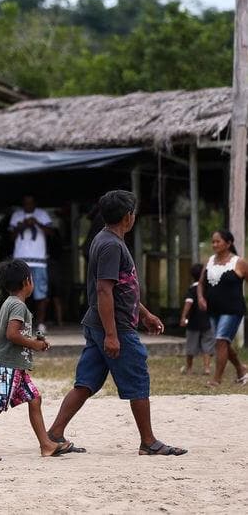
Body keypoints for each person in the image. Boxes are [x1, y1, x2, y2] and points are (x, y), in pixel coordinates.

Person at [47, 189, 187, 457]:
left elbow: (122, 288)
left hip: (101, 323)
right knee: (138, 379)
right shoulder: (111, 245)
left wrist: (144, 314)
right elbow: (104, 291)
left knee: (86, 382)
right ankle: (148, 441)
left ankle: (55, 433)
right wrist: (112, 334)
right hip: (114, 327)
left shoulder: (105, 239)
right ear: (128, 217)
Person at [0, 259, 73, 462]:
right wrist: (34, 344)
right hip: (7, 366)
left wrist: (34, 341)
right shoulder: (17, 306)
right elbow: (12, 334)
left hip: (16, 367)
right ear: (26, 282)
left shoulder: (12, 303)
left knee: (35, 399)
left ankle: (46, 445)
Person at [197, 230, 248, 387]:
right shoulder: (210, 261)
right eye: (213, 242)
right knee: (223, 343)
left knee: (220, 341)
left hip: (233, 309)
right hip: (213, 309)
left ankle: (216, 380)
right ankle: (241, 369)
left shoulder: (239, 262)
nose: (214, 244)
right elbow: (201, 283)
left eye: (217, 241)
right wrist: (200, 297)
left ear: (228, 243)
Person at [9, 195, 55, 334]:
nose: (28, 205)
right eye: (25, 203)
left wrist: (37, 223)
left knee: (40, 293)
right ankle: (20, 323)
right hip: (20, 260)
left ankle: (40, 323)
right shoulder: (17, 215)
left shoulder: (42, 214)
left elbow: (51, 233)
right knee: (18, 293)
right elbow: (11, 236)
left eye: (30, 203)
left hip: (39, 261)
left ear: (35, 203)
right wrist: (22, 225)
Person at [179, 262, 213, 376]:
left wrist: (184, 317)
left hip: (193, 322)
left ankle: (189, 368)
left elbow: (189, 302)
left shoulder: (193, 289)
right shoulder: (209, 288)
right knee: (207, 345)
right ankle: (207, 368)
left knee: (191, 346)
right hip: (207, 321)